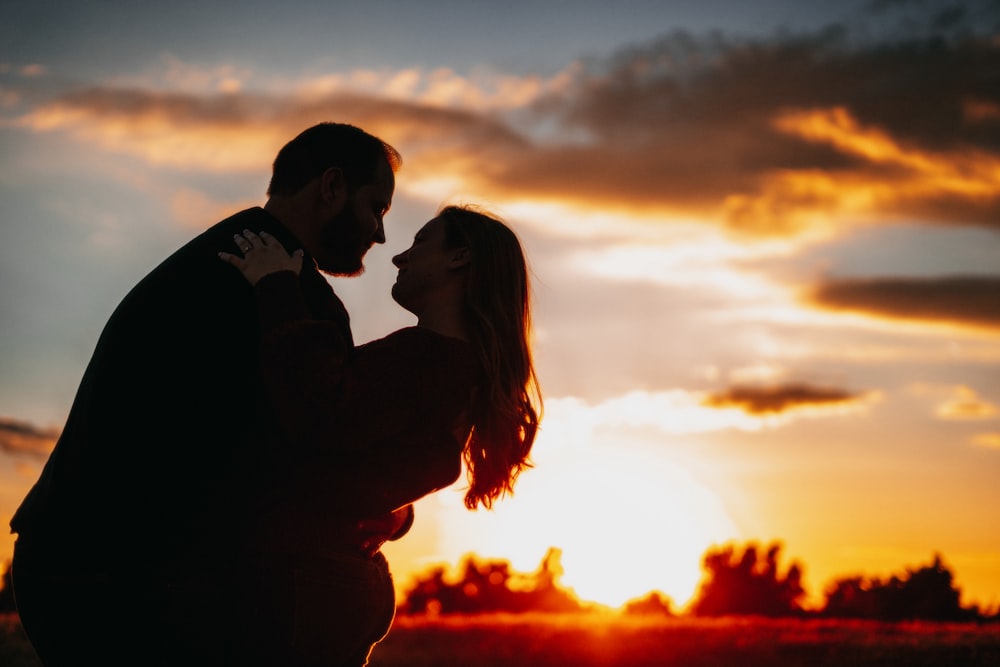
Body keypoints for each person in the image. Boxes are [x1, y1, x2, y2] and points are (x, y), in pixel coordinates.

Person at [9, 122, 403, 666]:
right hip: (128, 576)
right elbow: (316, 440)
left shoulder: (220, 253)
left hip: (64, 558)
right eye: (376, 208)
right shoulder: (289, 293)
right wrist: (385, 505)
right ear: (331, 187)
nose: (380, 235)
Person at [217, 205, 542, 666]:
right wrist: (396, 512)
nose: (398, 257)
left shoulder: (426, 357)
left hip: (310, 578)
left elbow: (316, 412)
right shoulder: (464, 372)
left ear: (459, 258)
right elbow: (385, 463)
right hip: (344, 582)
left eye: (421, 242)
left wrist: (276, 284)